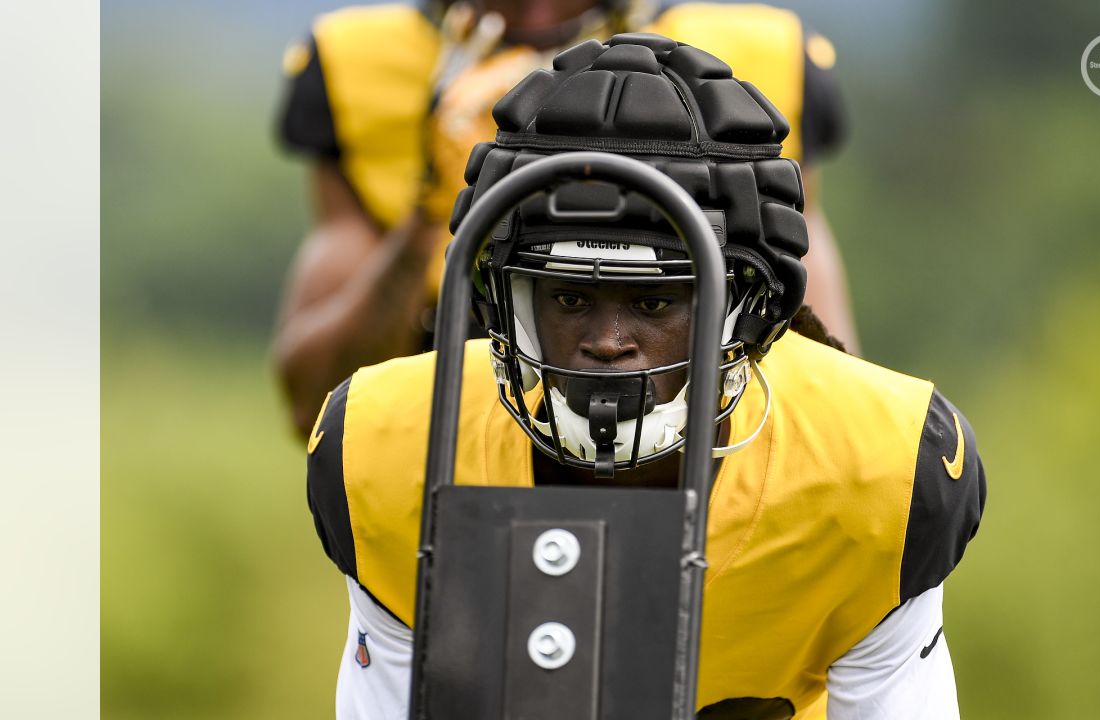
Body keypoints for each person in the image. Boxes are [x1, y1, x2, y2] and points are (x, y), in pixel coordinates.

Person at [305, 35, 986, 719]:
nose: (607, 343)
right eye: (570, 298)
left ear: (745, 305)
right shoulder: (391, 446)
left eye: (654, 301)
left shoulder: (876, 473)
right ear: (506, 300)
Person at [273, 0, 860, 439]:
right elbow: (316, 410)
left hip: (698, 459)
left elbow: (828, 390)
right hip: (463, 460)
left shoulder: (762, 51)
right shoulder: (360, 65)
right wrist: (433, 208)